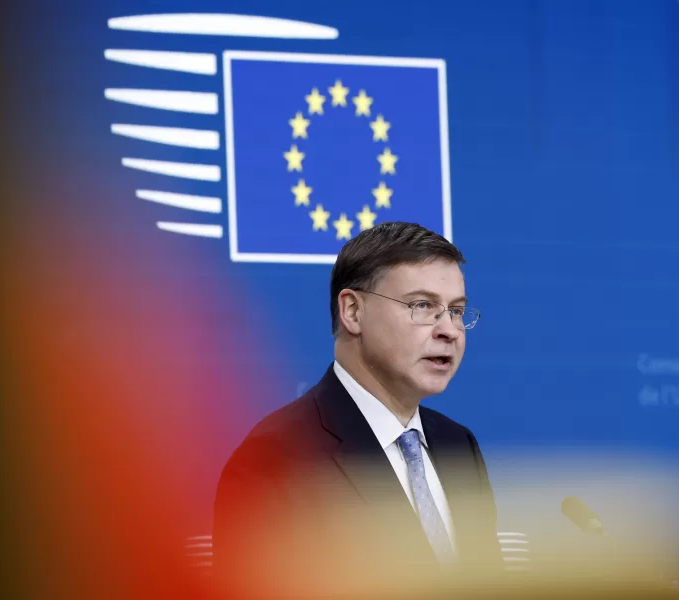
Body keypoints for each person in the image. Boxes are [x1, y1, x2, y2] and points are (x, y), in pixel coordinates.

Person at [212, 222, 501, 598]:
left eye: (457, 311)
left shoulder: (458, 445)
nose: (449, 330)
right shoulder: (276, 459)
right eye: (423, 305)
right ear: (352, 311)